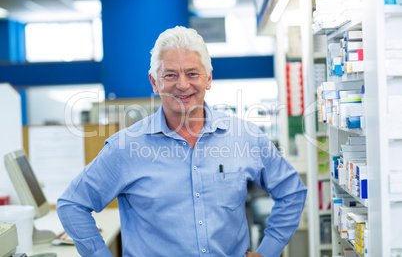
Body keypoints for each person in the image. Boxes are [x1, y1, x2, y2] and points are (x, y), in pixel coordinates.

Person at [57, 26, 307, 257]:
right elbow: (72, 204)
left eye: (192, 73)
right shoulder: (126, 148)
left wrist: (268, 250)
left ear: (208, 78)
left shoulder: (245, 136)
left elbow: (292, 191)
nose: (183, 85)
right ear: (154, 82)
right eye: (170, 75)